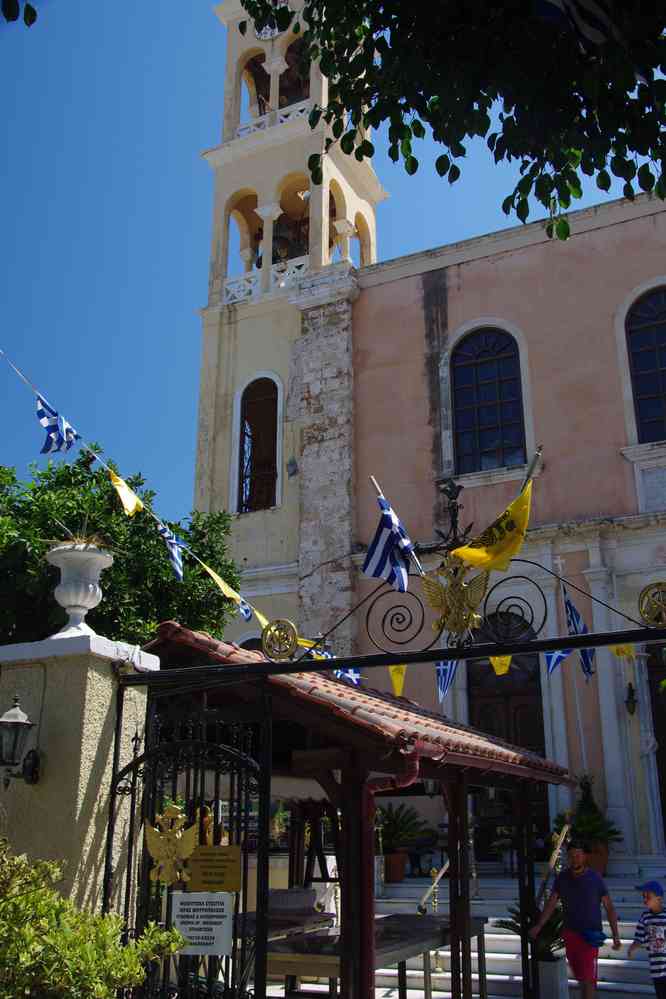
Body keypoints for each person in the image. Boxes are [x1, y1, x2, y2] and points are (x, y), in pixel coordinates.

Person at [530, 840, 621, 999]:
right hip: (570, 934)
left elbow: (609, 907)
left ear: (584, 856)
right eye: (571, 856)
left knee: (586, 978)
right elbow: (551, 903)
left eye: (578, 855)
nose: (575, 859)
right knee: (582, 977)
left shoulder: (595, 878)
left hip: (590, 935)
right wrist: (539, 925)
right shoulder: (562, 878)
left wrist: (616, 935)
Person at [628, 880, 666, 998]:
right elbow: (640, 936)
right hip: (656, 967)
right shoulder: (645, 917)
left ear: (659, 899)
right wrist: (633, 946)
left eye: (648, 897)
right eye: (643, 897)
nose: (644, 900)